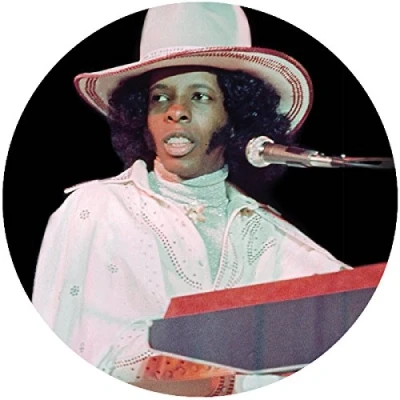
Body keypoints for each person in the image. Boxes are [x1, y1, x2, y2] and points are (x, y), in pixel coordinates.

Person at [32, 2, 350, 396]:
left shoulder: (266, 232)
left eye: (199, 96)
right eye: (159, 98)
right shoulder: (93, 210)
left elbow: (354, 313)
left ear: (235, 115)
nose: (176, 111)